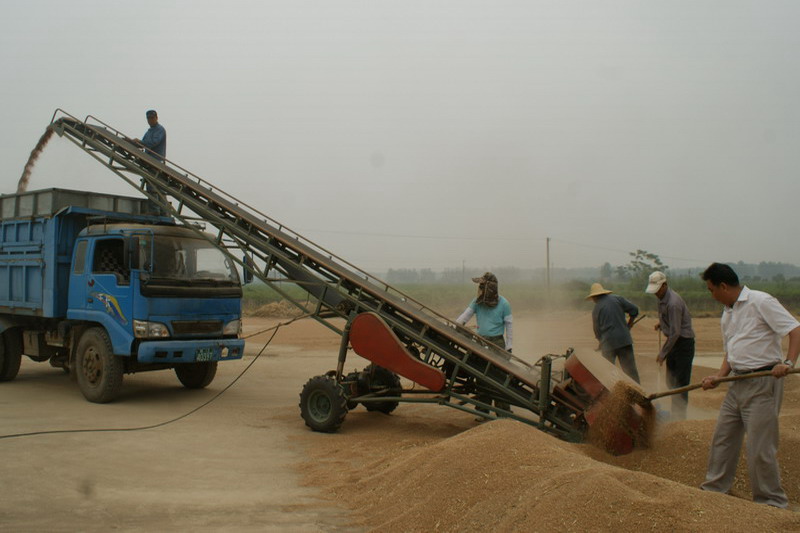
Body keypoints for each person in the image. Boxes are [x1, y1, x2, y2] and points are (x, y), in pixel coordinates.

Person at [699, 262, 800, 509]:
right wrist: (719, 376)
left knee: (760, 447)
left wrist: (788, 362)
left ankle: (771, 502)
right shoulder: (728, 313)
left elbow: (795, 330)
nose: (711, 295)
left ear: (723, 286)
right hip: (736, 383)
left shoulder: (761, 301)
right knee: (723, 438)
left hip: (763, 382)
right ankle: (714, 490)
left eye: (712, 290)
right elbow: (731, 352)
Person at [456, 272, 513, 418]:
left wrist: (509, 346)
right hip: (481, 342)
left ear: (490, 288)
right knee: (481, 377)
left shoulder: (504, 304)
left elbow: (509, 325)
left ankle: (503, 413)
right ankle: (482, 411)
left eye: (482, 286)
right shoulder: (477, 302)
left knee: (499, 378)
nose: (479, 289)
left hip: (497, 343)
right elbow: (464, 318)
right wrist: (457, 326)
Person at [646, 271, 695, 420]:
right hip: (674, 342)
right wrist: (662, 324)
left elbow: (675, 332)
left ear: (664, 285)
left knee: (680, 385)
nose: (656, 294)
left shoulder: (673, 303)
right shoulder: (661, 298)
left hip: (683, 344)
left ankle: (679, 418)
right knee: (670, 381)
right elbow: (670, 321)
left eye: (657, 290)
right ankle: (676, 412)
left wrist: (663, 353)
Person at [587, 282, 640, 383]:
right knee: (631, 371)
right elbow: (635, 310)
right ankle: (638, 390)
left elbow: (597, 331)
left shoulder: (596, 309)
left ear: (595, 296)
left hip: (608, 343)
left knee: (608, 372)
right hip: (624, 340)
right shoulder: (617, 299)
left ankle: (611, 390)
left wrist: (601, 343)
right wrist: (629, 324)